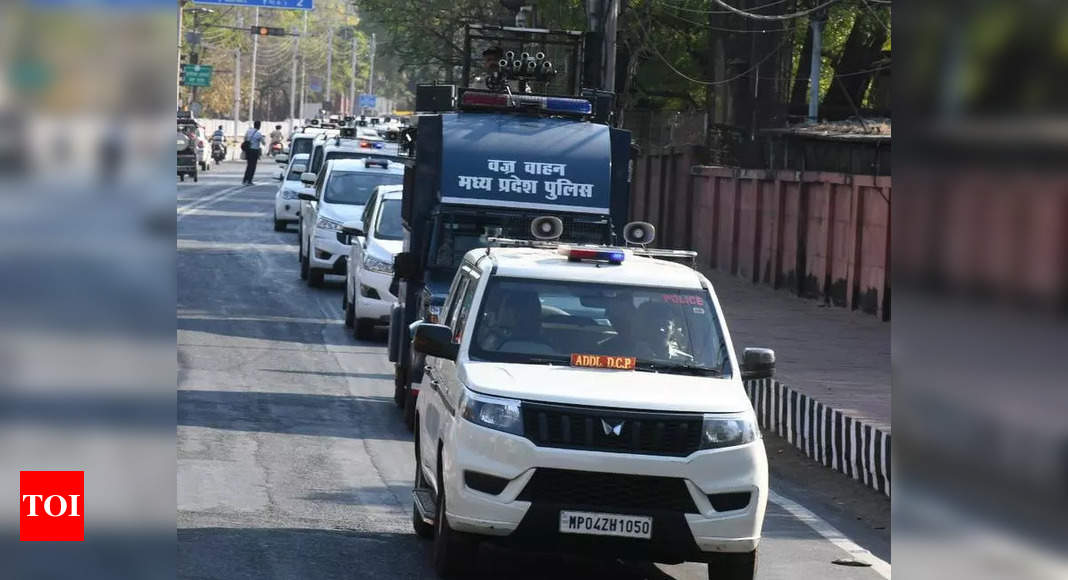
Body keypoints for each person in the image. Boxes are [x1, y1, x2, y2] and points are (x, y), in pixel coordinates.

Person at [242, 121, 266, 185]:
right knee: (252, 166)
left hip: (248, 150)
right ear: (259, 126)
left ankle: (245, 180)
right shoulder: (258, 134)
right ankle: (249, 181)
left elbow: (245, 139)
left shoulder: (248, 131)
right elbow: (263, 143)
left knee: (248, 165)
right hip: (254, 151)